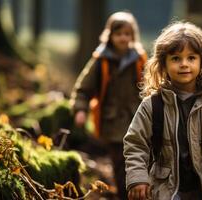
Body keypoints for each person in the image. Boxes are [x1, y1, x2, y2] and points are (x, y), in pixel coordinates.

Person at [123, 21, 202, 200]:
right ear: (163, 64)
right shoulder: (152, 105)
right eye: (175, 58)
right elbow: (135, 144)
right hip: (165, 189)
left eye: (191, 58)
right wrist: (138, 179)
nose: (184, 64)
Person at [70, 11, 146, 199]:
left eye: (127, 34)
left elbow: (152, 85)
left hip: (137, 120)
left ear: (133, 36)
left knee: (139, 159)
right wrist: (80, 109)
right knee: (120, 162)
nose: (123, 38)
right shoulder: (101, 61)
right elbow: (83, 88)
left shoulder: (140, 59)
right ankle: (124, 194)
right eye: (118, 34)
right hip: (111, 123)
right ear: (110, 35)